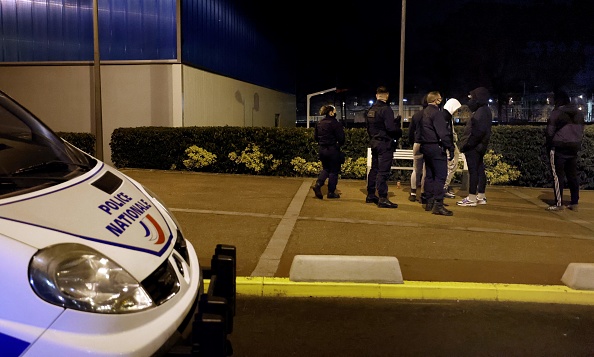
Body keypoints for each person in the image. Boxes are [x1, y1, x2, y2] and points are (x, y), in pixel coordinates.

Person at [544, 90, 585, 211]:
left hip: (559, 147)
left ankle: (559, 203)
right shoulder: (578, 113)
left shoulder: (556, 113)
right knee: (572, 175)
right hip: (574, 147)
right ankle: (574, 202)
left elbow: (549, 132)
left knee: (557, 175)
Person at [418, 91, 454, 216]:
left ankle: (429, 201)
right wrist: (450, 146)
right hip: (436, 148)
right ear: (437, 100)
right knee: (440, 176)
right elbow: (442, 133)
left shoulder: (423, 113)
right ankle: (438, 204)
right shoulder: (437, 113)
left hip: (426, 147)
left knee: (429, 175)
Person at [365, 86, 402, 208]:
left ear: (376, 95)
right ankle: (382, 197)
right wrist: (398, 130)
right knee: (383, 171)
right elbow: (390, 129)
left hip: (374, 142)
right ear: (387, 95)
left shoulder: (371, 109)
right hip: (384, 143)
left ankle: (370, 194)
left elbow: (368, 127)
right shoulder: (386, 109)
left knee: (374, 169)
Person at [457, 87, 492, 207]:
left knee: (474, 171)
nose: (470, 100)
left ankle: (472, 197)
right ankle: (480, 196)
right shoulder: (484, 110)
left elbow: (477, 132)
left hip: (474, 147)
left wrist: (468, 145)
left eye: (472, 97)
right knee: (479, 169)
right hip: (479, 146)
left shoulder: (481, 112)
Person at [312, 104, 346, 199]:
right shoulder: (335, 123)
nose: (335, 113)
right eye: (334, 112)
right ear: (331, 112)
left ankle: (318, 185)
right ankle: (331, 192)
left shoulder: (319, 123)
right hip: (333, 149)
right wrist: (337, 145)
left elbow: (316, 137)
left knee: (326, 169)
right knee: (334, 171)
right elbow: (341, 139)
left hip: (322, 149)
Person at [408, 95, 428, 203]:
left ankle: (413, 192)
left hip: (417, 143)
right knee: (426, 171)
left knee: (416, 169)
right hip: (429, 145)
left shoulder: (417, 115)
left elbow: (410, 132)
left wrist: (413, 142)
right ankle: (423, 194)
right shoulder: (432, 115)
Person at [442, 98, 462, 199]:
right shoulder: (446, 118)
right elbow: (447, 134)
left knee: (450, 167)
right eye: (456, 109)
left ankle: (445, 187)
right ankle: (444, 188)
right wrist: (451, 147)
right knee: (451, 166)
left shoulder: (446, 116)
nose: (457, 112)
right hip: (449, 145)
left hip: (449, 145)